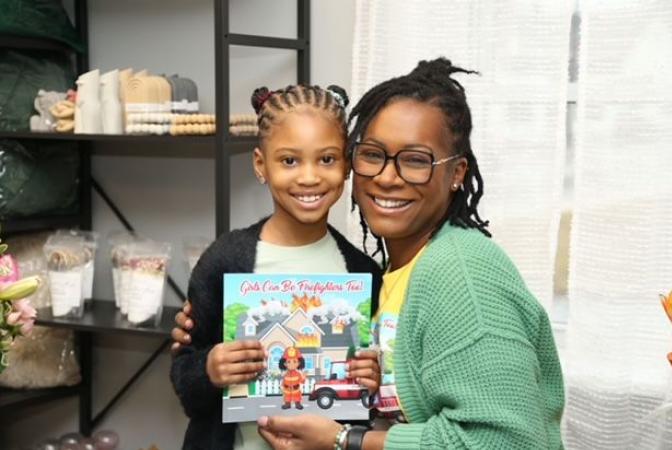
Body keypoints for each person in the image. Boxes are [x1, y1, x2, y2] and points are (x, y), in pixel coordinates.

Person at [174, 58, 565, 450]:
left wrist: (346, 438)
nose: (388, 177)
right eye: (374, 154)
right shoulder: (389, 274)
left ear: (458, 173)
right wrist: (207, 365)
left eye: (416, 160)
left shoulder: (458, 273)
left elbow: (505, 440)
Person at [169, 84, 383, 450]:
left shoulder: (363, 272)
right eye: (289, 160)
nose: (309, 176)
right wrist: (209, 369)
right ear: (260, 165)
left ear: (347, 165)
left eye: (327, 159)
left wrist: (373, 378)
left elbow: (368, 402)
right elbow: (184, 373)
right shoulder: (225, 260)